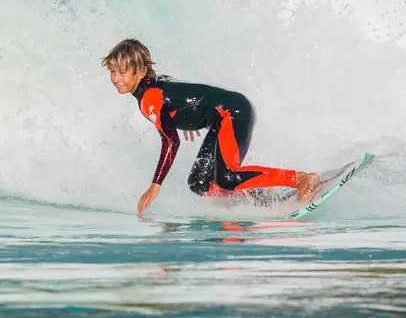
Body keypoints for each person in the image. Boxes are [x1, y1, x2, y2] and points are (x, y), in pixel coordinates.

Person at [102, 38, 320, 216]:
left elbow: (170, 141)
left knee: (227, 176)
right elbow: (176, 88)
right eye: (113, 72)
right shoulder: (153, 84)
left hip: (233, 112)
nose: (116, 79)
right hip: (221, 119)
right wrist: (184, 116)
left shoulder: (149, 99)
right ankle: (255, 195)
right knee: (198, 182)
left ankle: (299, 178)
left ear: (140, 72)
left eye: (122, 72)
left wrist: (155, 184)